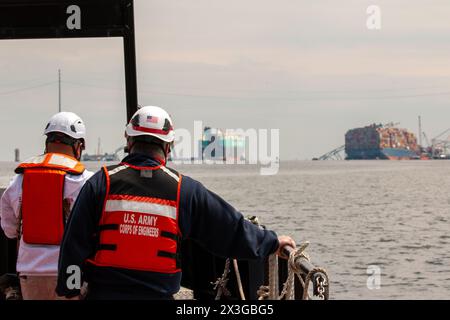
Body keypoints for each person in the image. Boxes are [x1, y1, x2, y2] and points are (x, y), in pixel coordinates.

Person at [56, 106, 295, 300]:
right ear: (168, 147)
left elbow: (74, 242)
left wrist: (70, 289)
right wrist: (272, 242)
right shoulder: (184, 190)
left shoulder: (101, 184)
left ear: (128, 140)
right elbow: (229, 229)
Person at [0, 112, 93, 300]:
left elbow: (9, 231)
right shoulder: (85, 180)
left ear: (47, 142)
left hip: (29, 272)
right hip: (70, 271)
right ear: (78, 145)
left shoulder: (18, 180)